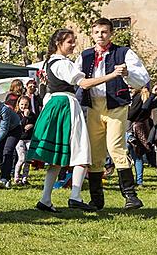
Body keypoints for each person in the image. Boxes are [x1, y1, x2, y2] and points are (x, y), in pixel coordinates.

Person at [28, 29, 124, 213]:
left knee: (56, 158)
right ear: (59, 43)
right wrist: (112, 75)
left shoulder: (48, 62)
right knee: (82, 150)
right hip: (66, 104)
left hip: (54, 104)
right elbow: (84, 83)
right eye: (70, 42)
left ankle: (45, 199)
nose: (73, 45)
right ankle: (75, 196)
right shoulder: (63, 63)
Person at [75, 18, 150, 210]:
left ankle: (131, 196)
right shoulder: (85, 55)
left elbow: (142, 79)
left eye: (105, 32)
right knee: (96, 152)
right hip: (93, 106)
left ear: (111, 34)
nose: (101, 35)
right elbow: (75, 79)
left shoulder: (124, 53)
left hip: (116, 105)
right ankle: (97, 200)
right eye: (97, 32)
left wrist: (126, 74)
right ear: (92, 34)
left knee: (116, 147)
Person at [127, 84, 157, 187]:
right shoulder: (146, 98)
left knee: (126, 154)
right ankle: (139, 181)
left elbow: (131, 114)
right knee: (138, 156)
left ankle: (129, 180)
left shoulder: (137, 98)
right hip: (142, 127)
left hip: (131, 128)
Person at [13, 98, 36, 185]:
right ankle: (16, 177)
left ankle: (25, 178)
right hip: (20, 139)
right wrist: (25, 117)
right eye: (22, 104)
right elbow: (18, 126)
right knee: (22, 158)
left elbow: (36, 124)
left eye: (26, 104)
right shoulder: (16, 115)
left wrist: (32, 125)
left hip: (29, 139)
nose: (23, 106)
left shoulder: (32, 115)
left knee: (28, 159)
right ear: (18, 104)